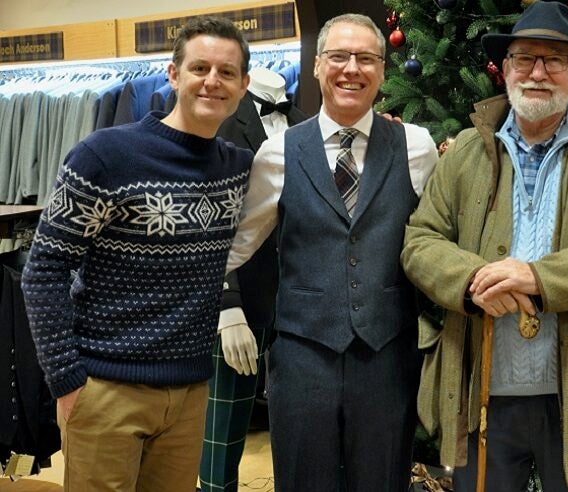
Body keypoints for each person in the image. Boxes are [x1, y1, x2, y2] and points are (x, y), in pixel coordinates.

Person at [400, 2, 568, 491]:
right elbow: (420, 240)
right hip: (479, 389)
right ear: (504, 69)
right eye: (524, 59)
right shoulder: (465, 151)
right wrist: (470, 281)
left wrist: (539, 279)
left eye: (555, 60)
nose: (538, 73)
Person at [20, 16, 252, 491]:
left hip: (189, 393)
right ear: (173, 74)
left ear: (245, 85)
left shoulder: (239, 168)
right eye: (200, 68)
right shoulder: (104, 157)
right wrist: (65, 379)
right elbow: (43, 269)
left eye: (227, 72)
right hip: (107, 388)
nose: (213, 81)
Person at [225, 13, 438, 491]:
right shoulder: (277, 152)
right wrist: (225, 305)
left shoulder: (417, 146)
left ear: (383, 71)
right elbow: (236, 246)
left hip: (388, 355)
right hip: (302, 357)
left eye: (367, 58)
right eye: (339, 56)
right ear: (318, 66)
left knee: (383, 481)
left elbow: (440, 239)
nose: (352, 69)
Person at [199, 66, 306, 492]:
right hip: (238, 302)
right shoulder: (219, 124)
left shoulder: (307, 125)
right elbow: (208, 226)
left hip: (302, 306)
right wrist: (228, 307)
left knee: (303, 431)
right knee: (221, 436)